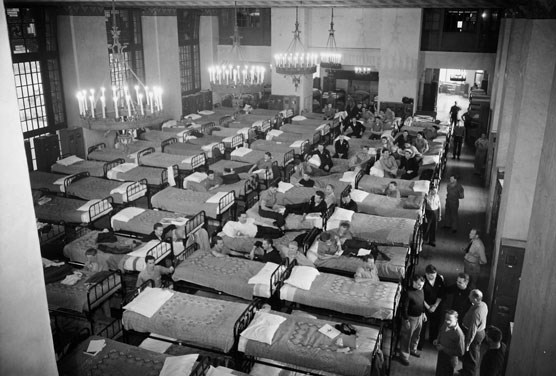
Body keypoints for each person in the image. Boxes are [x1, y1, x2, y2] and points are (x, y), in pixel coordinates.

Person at [398, 274, 426, 366]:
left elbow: (421, 303)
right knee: (407, 337)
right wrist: (406, 320)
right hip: (410, 318)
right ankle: (404, 356)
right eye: (418, 284)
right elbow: (404, 308)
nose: (420, 286)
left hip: (419, 317)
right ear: (413, 282)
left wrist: (423, 313)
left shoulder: (421, 290)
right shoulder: (408, 293)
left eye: (422, 284)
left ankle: (413, 349)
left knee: (416, 335)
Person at [460, 289, 488, 376]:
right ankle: (465, 371)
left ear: (475, 299)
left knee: (472, 355)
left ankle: (470, 373)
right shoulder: (483, 304)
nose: (469, 297)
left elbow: (473, 329)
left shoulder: (476, 313)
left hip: (474, 335)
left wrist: (468, 343)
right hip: (479, 332)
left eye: (470, 296)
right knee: (469, 354)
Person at [420, 264, 445, 348]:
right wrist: (428, 307)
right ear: (426, 274)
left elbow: (441, 293)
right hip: (425, 305)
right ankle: (420, 344)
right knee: (423, 325)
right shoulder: (422, 280)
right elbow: (421, 296)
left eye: (434, 275)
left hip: (436, 305)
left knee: (435, 324)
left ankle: (432, 340)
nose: (432, 277)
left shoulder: (439, 279)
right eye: (430, 276)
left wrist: (435, 306)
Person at [434, 310, 465, 376]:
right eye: (446, 319)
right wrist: (438, 339)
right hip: (441, 356)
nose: (447, 321)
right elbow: (441, 331)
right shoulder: (445, 324)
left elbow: (461, 352)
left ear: (456, 319)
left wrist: (443, 348)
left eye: (449, 320)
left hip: (450, 360)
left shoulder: (459, 334)